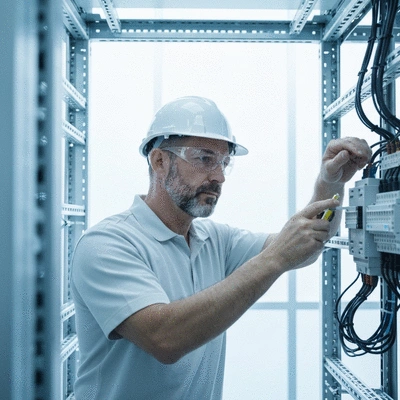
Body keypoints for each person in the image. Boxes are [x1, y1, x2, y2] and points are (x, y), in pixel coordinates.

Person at [71, 96, 371, 399]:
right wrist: (275, 258)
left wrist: (330, 184)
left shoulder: (214, 241)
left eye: (224, 162)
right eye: (204, 159)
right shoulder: (107, 244)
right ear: (159, 161)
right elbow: (164, 338)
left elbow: (302, 247)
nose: (219, 176)